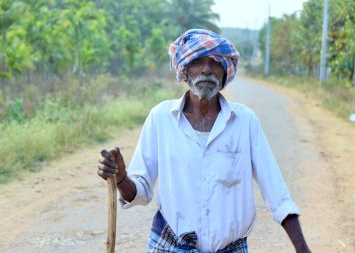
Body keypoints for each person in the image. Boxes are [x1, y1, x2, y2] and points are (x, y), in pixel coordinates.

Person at [98, 29, 311, 253]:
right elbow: (139, 193)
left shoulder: (245, 121)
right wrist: (121, 177)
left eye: (215, 63)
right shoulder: (161, 118)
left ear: (224, 72)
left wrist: (302, 248)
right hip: (170, 247)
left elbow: (277, 195)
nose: (207, 69)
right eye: (198, 61)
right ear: (185, 70)